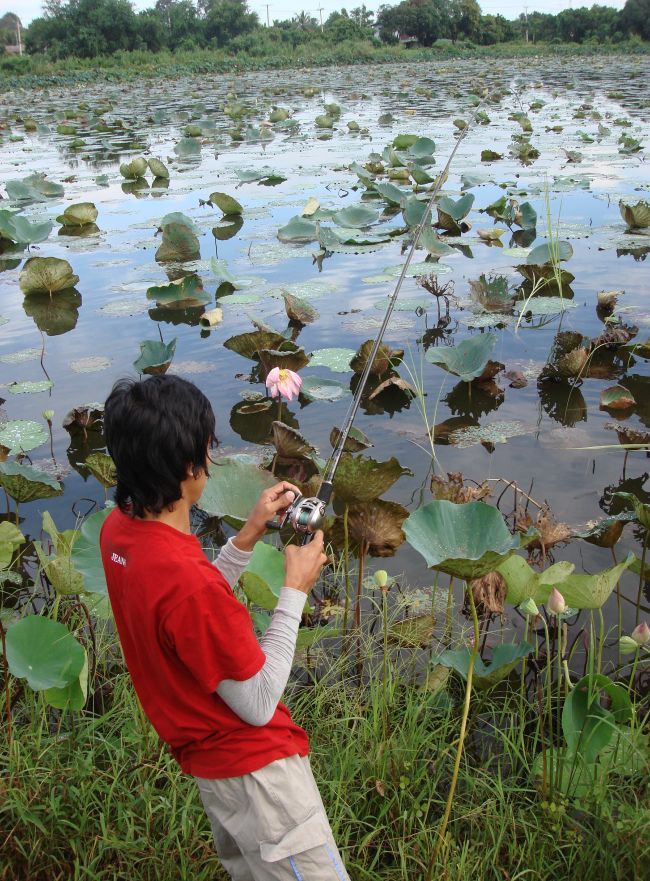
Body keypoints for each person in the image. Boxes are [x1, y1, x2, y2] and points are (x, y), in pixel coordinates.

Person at [100, 374, 351, 881]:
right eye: (207, 449)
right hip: (262, 783)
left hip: (214, 776)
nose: (211, 461)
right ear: (188, 467)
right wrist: (294, 590)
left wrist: (246, 536)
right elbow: (257, 704)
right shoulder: (189, 584)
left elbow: (182, 616)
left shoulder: (119, 532)